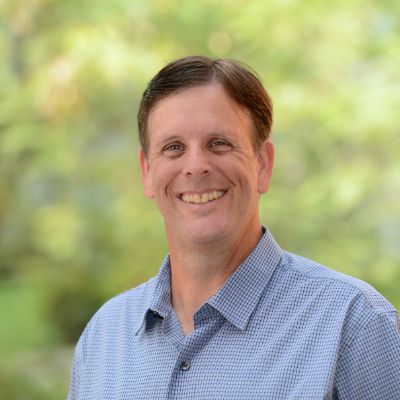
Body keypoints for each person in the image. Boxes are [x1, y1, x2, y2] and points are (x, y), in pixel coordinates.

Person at [67, 56, 400, 399]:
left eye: (219, 143)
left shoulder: (354, 323)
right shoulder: (103, 337)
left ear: (262, 164)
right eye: (174, 148)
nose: (196, 166)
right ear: (147, 172)